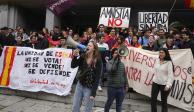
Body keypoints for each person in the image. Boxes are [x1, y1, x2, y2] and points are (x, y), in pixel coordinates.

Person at [71, 41, 102, 112]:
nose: (88, 46)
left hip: (89, 87)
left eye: (90, 46)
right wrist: (75, 56)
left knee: (88, 109)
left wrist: (93, 93)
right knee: (75, 107)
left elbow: (97, 77)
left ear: (94, 49)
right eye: (87, 45)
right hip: (80, 84)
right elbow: (73, 65)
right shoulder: (83, 56)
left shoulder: (98, 60)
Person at [104, 48, 128, 112]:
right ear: (112, 55)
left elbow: (124, 75)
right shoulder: (109, 63)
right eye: (115, 53)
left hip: (121, 88)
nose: (117, 54)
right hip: (112, 88)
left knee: (119, 105)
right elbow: (111, 70)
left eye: (118, 53)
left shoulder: (122, 64)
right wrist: (115, 61)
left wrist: (126, 85)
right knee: (109, 103)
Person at [151, 48, 174, 112]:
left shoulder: (169, 63)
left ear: (166, 54)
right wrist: (153, 79)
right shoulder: (157, 60)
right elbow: (155, 71)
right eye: (160, 52)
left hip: (164, 84)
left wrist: (168, 85)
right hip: (155, 82)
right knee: (153, 100)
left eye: (162, 52)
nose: (160, 54)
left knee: (163, 101)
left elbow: (170, 75)